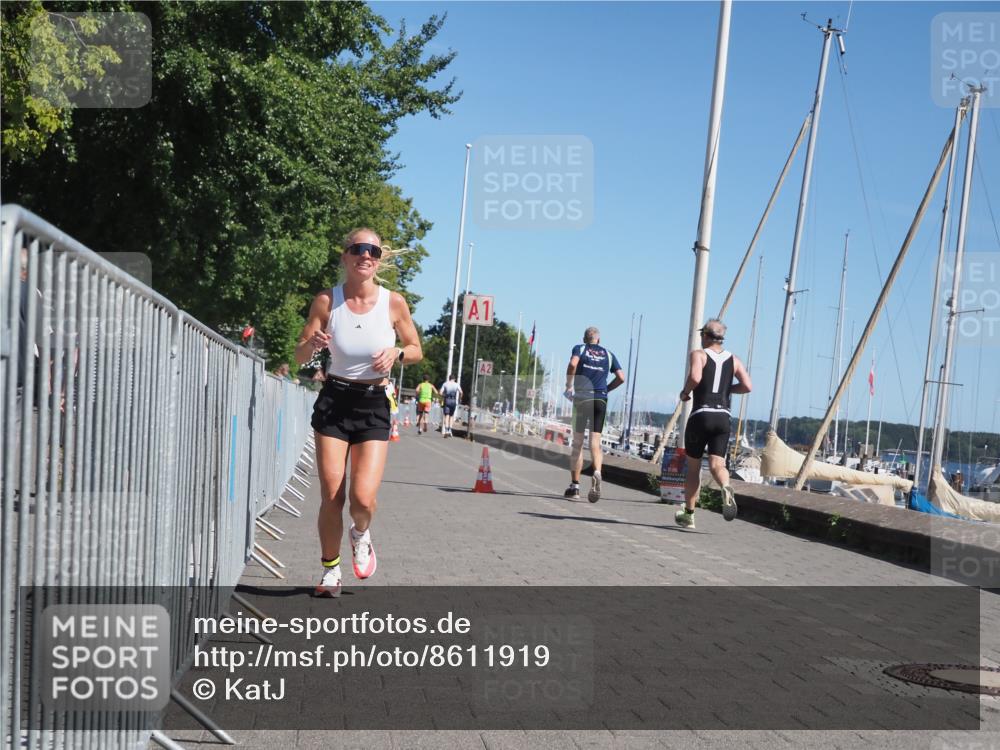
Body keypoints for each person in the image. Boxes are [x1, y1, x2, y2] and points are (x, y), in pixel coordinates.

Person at [295, 228, 422, 597]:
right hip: (334, 402)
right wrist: (313, 344)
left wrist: (398, 352)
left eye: (373, 251)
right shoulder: (326, 301)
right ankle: (330, 570)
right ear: (345, 256)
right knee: (332, 495)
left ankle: (361, 533)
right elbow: (300, 355)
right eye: (358, 249)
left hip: (374, 403)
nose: (366, 255)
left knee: (362, 500)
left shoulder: (393, 303)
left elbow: (416, 349)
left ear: (378, 260)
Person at [675, 319, 752, 529]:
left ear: (706, 336)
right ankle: (726, 486)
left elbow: (695, 377)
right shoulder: (734, 359)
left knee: (693, 469)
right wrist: (728, 389)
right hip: (723, 418)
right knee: (718, 465)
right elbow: (747, 386)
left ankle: (689, 515)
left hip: (701, 415)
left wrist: (685, 393)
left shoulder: (699, 354)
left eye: (702, 334)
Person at [563, 326, 625, 502]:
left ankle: (575, 487)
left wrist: (569, 385)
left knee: (577, 443)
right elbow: (621, 377)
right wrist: (606, 389)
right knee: (595, 443)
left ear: (584, 339)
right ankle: (597, 471)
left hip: (582, 398)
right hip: (600, 399)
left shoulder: (580, 348)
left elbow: (573, 364)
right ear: (599, 340)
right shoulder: (608, 354)